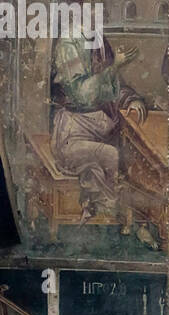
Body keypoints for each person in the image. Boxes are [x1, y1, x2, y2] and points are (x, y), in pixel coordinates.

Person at [50, 33, 159, 247]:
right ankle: (117, 218)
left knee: (138, 159)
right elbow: (82, 95)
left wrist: (131, 99)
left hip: (102, 128)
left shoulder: (98, 41)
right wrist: (114, 66)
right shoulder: (67, 43)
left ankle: (140, 222)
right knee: (111, 155)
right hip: (73, 131)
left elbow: (113, 87)